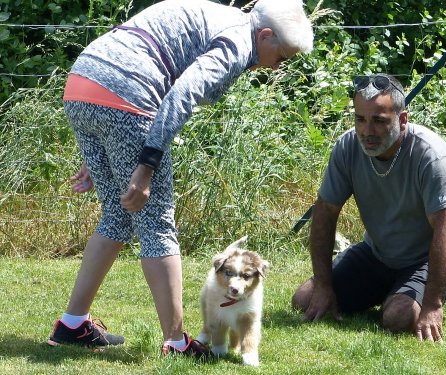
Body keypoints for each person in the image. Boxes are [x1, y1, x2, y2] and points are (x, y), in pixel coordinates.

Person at [47, 0, 313, 357]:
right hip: (127, 93)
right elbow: (182, 94)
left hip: (83, 85)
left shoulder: (224, 19)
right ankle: (175, 342)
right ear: (265, 35)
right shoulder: (238, 42)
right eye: (282, 55)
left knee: (117, 214)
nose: (281, 65)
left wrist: (109, 150)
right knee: (156, 224)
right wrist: (145, 166)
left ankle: (72, 324)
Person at [292, 74, 446, 342]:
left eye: (379, 121)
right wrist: (323, 285)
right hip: (379, 253)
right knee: (304, 299)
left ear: (402, 120)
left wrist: (432, 305)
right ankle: (392, 290)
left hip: (428, 257)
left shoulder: (432, 155)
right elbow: (325, 212)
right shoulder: (347, 147)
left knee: (397, 318)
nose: (367, 131)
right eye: (360, 119)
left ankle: (402, 295)